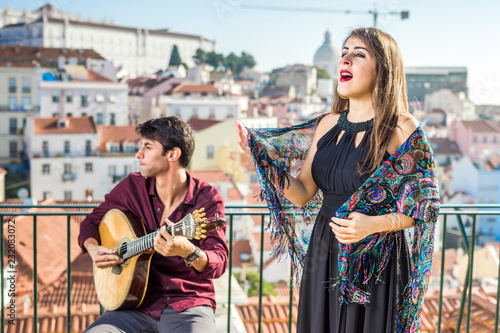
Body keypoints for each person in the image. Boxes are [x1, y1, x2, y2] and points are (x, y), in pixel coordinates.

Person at [236, 27, 439, 332]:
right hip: (325, 251)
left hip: (377, 259)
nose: (345, 60)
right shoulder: (327, 124)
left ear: (383, 68)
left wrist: (374, 225)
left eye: (358, 55)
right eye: (344, 54)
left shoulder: (402, 128)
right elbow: (303, 192)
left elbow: (426, 208)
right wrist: (262, 163)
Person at [79, 116, 228, 333]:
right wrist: (92, 248)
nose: (138, 154)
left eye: (147, 147)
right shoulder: (132, 187)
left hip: (188, 304)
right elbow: (92, 221)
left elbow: (219, 261)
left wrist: (189, 251)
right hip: (134, 304)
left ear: (172, 154)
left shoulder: (207, 198)